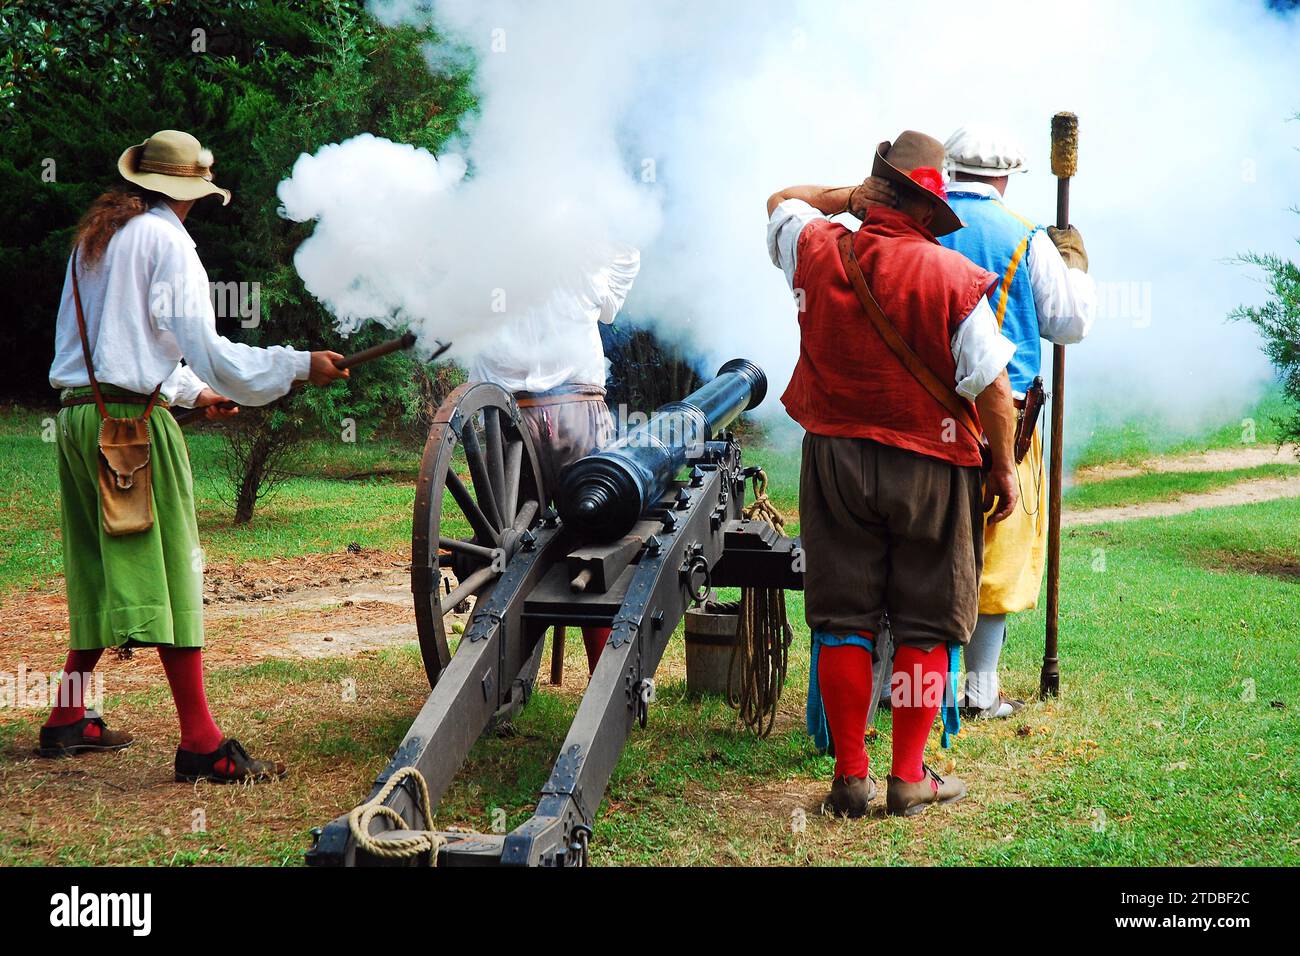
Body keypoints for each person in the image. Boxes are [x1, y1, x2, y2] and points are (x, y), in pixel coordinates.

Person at [43, 129, 348, 782]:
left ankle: (67, 718)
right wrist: (300, 366)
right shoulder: (168, 241)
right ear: (189, 192)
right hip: (128, 428)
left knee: (99, 571)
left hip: (79, 419)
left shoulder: (95, 239)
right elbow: (207, 347)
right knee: (175, 572)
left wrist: (190, 392)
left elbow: (115, 345)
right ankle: (201, 744)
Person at [767, 130, 1019, 817]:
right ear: (929, 208)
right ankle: (908, 776)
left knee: (843, 614)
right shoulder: (951, 277)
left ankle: (851, 776)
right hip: (931, 465)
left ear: (879, 192)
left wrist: (850, 197)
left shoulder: (815, 248)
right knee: (926, 622)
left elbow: (781, 201)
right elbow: (994, 393)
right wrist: (1005, 472)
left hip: (836, 459)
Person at [939, 126, 1096, 719]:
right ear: (1003, 180)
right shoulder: (1026, 238)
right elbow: (1070, 323)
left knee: (919, 546)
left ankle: (894, 688)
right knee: (997, 550)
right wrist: (1074, 264)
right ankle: (980, 691)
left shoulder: (919, 226)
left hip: (927, 416)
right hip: (1006, 422)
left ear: (950, 171)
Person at [469, 243, 640, 674]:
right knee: (598, 538)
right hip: (572, 408)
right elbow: (612, 300)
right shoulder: (589, 238)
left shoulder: (480, 237)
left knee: (505, 544)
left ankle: (492, 673)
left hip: (504, 415)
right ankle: (608, 679)